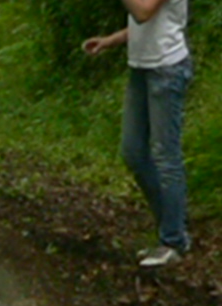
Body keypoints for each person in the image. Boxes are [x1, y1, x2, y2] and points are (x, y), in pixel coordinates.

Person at [82, 0, 193, 267]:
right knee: (133, 153)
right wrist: (110, 41)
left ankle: (173, 240)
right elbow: (144, 23)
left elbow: (144, 11)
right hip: (141, 69)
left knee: (166, 157)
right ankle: (171, 226)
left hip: (166, 69)